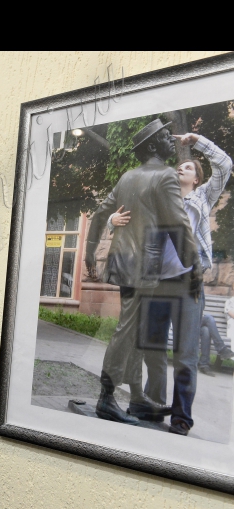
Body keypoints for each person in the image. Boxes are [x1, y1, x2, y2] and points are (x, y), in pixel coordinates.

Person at [85, 120, 203, 433]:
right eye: (165, 138)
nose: (170, 142)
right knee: (127, 332)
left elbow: (100, 214)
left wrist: (89, 252)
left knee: (135, 332)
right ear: (152, 147)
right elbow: (178, 227)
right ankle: (107, 398)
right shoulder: (164, 175)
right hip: (141, 268)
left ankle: (137, 397)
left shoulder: (127, 176)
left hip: (125, 263)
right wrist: (195, 268)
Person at [108, 133, 233, 413]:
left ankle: (181, 416)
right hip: (155, 282)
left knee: (185, 354)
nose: (181, 167)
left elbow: (224, 164)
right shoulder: (159, 191)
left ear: (197, 180)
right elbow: (126, 214)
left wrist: (197, 141)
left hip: (188, 282)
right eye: (179, 165)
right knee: (153, 351)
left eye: (188, 167)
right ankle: (151, 407)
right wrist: (110, 220)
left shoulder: (203, 196)